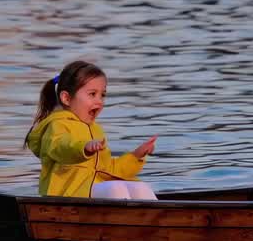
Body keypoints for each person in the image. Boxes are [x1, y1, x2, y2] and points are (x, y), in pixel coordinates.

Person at [25, 60, 159, 199]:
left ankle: (159, 219)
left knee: (141, 188)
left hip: (93, 187)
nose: (99, 101)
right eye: (92, 94)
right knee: (115, 188)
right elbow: (61, 147)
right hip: (67, 193)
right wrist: (84, 147)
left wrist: (136, 156)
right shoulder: (56, 125)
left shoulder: (96, 130)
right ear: (66, 98)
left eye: (103, 95)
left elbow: (107, 170)